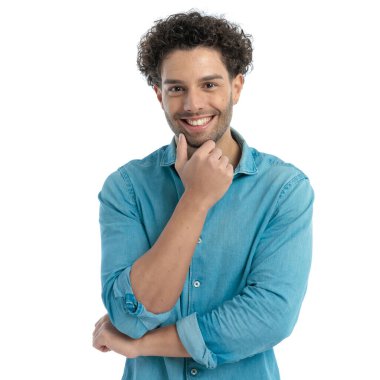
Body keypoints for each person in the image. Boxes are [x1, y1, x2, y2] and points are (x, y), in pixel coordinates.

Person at [92, 10, 314, 380]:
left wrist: (142, 345)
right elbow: (129, 314)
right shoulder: (126, 188)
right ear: (158, 93)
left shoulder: (284, 190)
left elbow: (269, 316)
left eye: (209, 85)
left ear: (237, 86)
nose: (193, 104)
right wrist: (196, 199)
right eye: (177, 88)